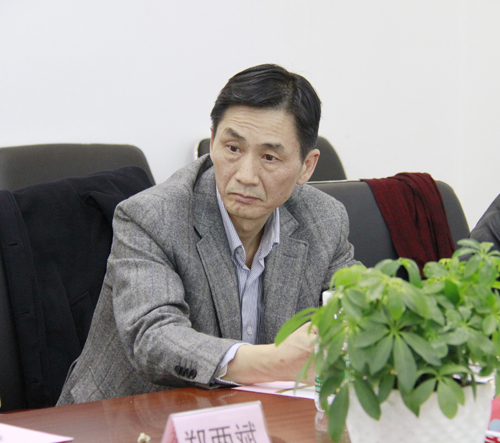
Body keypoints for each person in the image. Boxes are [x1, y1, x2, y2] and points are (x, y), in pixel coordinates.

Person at [57, 64, 358, 405]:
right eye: (233, 149)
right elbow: (154, 339)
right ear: (212, 141)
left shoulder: (324, 220)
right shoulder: (152, 217)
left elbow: (354, 313)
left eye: (269, 157)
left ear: (307, 166)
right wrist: (276, 361)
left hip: (253, 414)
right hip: (123, 415)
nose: (246, 175)